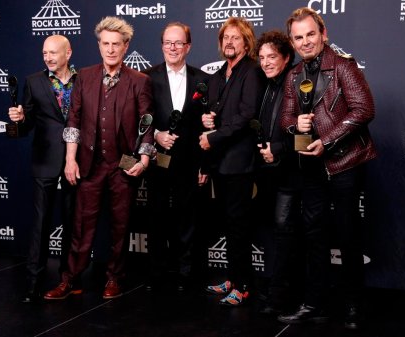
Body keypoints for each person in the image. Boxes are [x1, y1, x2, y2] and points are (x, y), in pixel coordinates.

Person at [277, 7, 377, 329]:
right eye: (298, 37)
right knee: (314, 235)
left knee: (348, 235)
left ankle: (353, 304)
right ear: (292, 42)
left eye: (310, 34)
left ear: (323, 33)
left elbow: (365, 108)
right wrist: (297, 126)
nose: (305, 42)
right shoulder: (293, 75)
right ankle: (315, 302)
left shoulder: (343, 65)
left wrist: (329, 140)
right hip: (311, 166)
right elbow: (285, 119)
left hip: (346, 162)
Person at [43, 16, 155, 300]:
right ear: (99, 46)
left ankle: (115, 278)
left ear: (126, 46)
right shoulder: (86, 76)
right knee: (81, 225)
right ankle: (70, 279)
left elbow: (148, 122)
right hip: (89, 165)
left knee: (121, 225)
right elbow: (74, 120)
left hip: (123, 164)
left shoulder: (139, 81)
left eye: (116, 44)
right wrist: (70, 159)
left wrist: (143, 159)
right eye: (105, 44)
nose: (110, 50)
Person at [199, 16, 265, 306]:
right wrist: (207, 119)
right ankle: (233, 278)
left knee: (239, 225)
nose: (229, 42)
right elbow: (215, 114)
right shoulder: (217, 77)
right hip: (219, 163)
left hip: (240, 162)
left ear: (246, 42)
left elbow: (246, 116)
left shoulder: (252, 71)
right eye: (226, 37)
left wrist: (213, 137)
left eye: (236, 37)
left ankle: (243, 284)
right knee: (228, 223)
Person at [8, 35, 78, 303]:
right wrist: (19, 118)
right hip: (45, 158)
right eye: (44, 53)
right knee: (40, 224)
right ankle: (33, 283)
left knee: (73, 220)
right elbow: (25, 126)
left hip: (75, 159)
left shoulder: (83, 80)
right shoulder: (33, 81)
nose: (47, 57)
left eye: (53, 53)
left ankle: (68, 278)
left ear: (68, 53)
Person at [142, 22, 210, 291]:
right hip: (157, 158)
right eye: (168, 43)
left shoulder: (203, 80)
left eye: (178, 43)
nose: (172, 47)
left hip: (190, 160)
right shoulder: (147, 78)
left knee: (187, 218)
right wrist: (157, 134)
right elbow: (140, 117)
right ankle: (156, 273)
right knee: (157, 217)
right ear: (162, 46)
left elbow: (208, 126)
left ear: (188, 46)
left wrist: (205, 164)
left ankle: (185, 273)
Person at [251, 30, 302, 315]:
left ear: (286, 57)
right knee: (272, 230)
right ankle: (275, 285)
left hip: (289, 172)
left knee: (285, 231)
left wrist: (278, 149)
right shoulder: (266, 84)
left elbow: (309, 130)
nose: (266, 62)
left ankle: (281, 293)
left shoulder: (295, 84)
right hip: (266, 171)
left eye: (272, 57)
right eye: (262, 57)